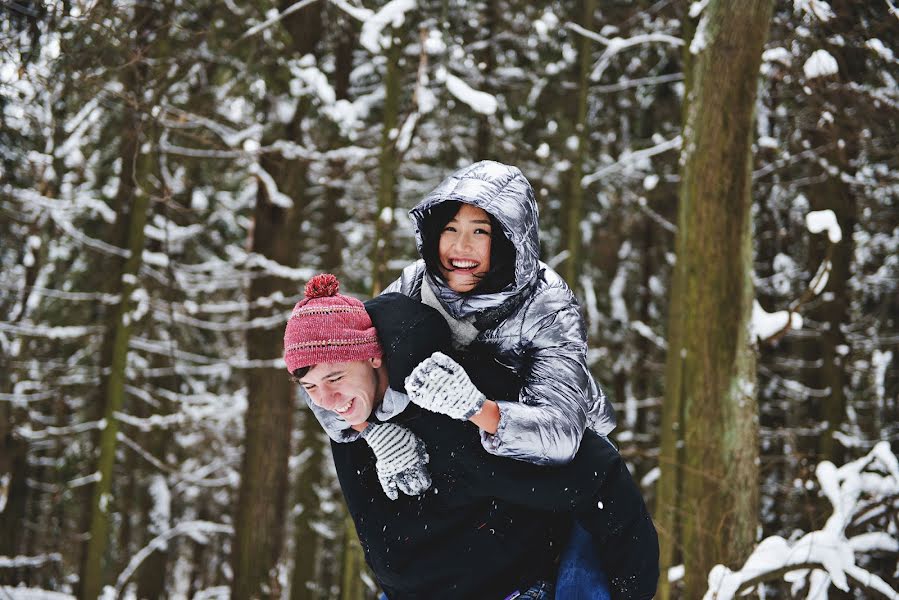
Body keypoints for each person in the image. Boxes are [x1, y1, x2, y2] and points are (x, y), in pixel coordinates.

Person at [284, 274, 658, 599]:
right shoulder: (349, 412)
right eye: (310, 386)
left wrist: (633, 591)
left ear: (373, 357)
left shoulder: (453, 400)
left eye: (334, 378)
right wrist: (372, 432)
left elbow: (596, 472)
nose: (327, 401)